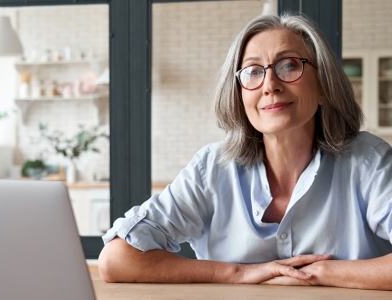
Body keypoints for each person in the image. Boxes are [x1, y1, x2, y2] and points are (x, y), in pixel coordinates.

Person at [98, 13, 392, 290]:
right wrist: (239, 273)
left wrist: (319, 273)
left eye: (289, 65)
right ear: (239, 95)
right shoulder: (211, 168)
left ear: (323, 86)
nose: (270, 85)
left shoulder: (370, 162)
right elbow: (117, 259)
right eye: (252, 72)